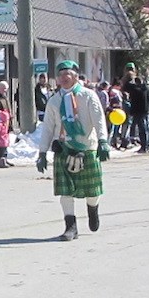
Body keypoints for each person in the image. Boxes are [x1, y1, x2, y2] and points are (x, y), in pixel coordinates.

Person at [36, 60, 110, 241]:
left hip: (87, 148)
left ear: (76, 76)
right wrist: (42, 152)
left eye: (66, 74)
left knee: (92, 191)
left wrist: (102, 141)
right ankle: (71, 227)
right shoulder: (54, 100)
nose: (63, 78)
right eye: (60, 75)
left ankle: (93, 210)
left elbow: (99, 119)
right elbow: (48, 127)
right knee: (66, 191)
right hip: (64, 148)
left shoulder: (88, 96)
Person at [122, 65, 149, 154]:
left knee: (142, 128)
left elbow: (126, 87)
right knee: (145, 128)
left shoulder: (135, 89)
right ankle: (146, 146)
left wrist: (127, 79)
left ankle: (144, 146)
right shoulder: (146, 89)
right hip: (146, 110)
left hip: (139, 111)